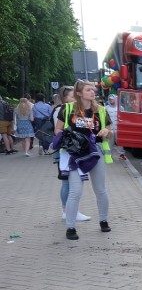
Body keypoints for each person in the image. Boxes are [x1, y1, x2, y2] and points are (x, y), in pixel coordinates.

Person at [56, 80, 112, 240]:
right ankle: (71, 227)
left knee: (100, 189)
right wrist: (67, 136)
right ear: (79, 93)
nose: (93, 92)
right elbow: (57, 129)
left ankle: (103, 220)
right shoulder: (67, 109)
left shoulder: (100, 110)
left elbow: (110, 131)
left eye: (93, 89)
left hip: (95, 153)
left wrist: (106, 131)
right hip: (75, 154)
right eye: (88, 90)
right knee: (75, 191)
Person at [51, 86, 90, 222]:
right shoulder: (62, 110)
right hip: (65, 150)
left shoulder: (70, 109)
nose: (75, 99)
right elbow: (58, 130)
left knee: (69, 182)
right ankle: (68, 211)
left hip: (70, 149)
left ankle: (69, 210)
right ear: (65, 98)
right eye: (72, 97)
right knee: (68, 183)